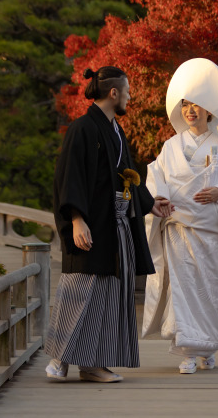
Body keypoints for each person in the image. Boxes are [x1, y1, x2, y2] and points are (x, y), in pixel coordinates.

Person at [46, 66, 171, 383]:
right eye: (127, 92)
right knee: (80, 289)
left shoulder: (115, 130)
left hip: (115, 226)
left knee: (108, 296)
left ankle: (92, 364)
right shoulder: (83, 128)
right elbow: (69, 176)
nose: (129, 97)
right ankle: (59, 358)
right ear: (114, 93)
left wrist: (148, 203)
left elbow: (127, 174)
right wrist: (76, 218)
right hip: (90, 223)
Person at [142, 58, 218, 374]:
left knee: (210, 290)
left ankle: (208, 348)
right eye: (185, 105)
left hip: (211, 232)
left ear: (209, 111)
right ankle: (188, 351)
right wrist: (158, 199)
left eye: (197, 105)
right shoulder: (170, 147)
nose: (190, 110)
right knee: (183, 289)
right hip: (179, 230)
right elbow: (155, 180)